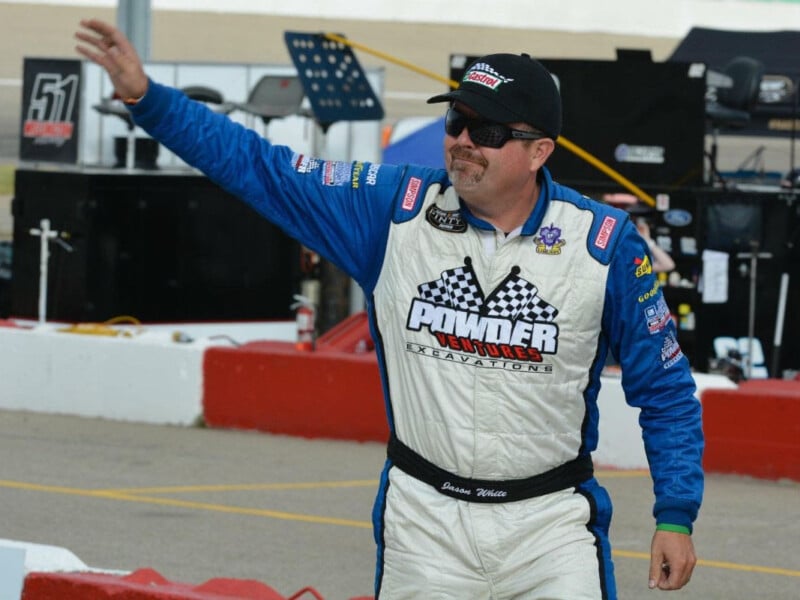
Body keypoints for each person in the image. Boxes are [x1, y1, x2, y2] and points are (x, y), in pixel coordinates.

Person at [75, 19, 703, 599]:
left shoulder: (604, 243)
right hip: (424, 525)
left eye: (487, 132)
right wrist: (147, 99)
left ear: (539, 152)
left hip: (550, 529)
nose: (462, 142)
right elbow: (263, 169)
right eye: (456, 121)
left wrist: (675, 515)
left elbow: (666, 389)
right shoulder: (392, 208)